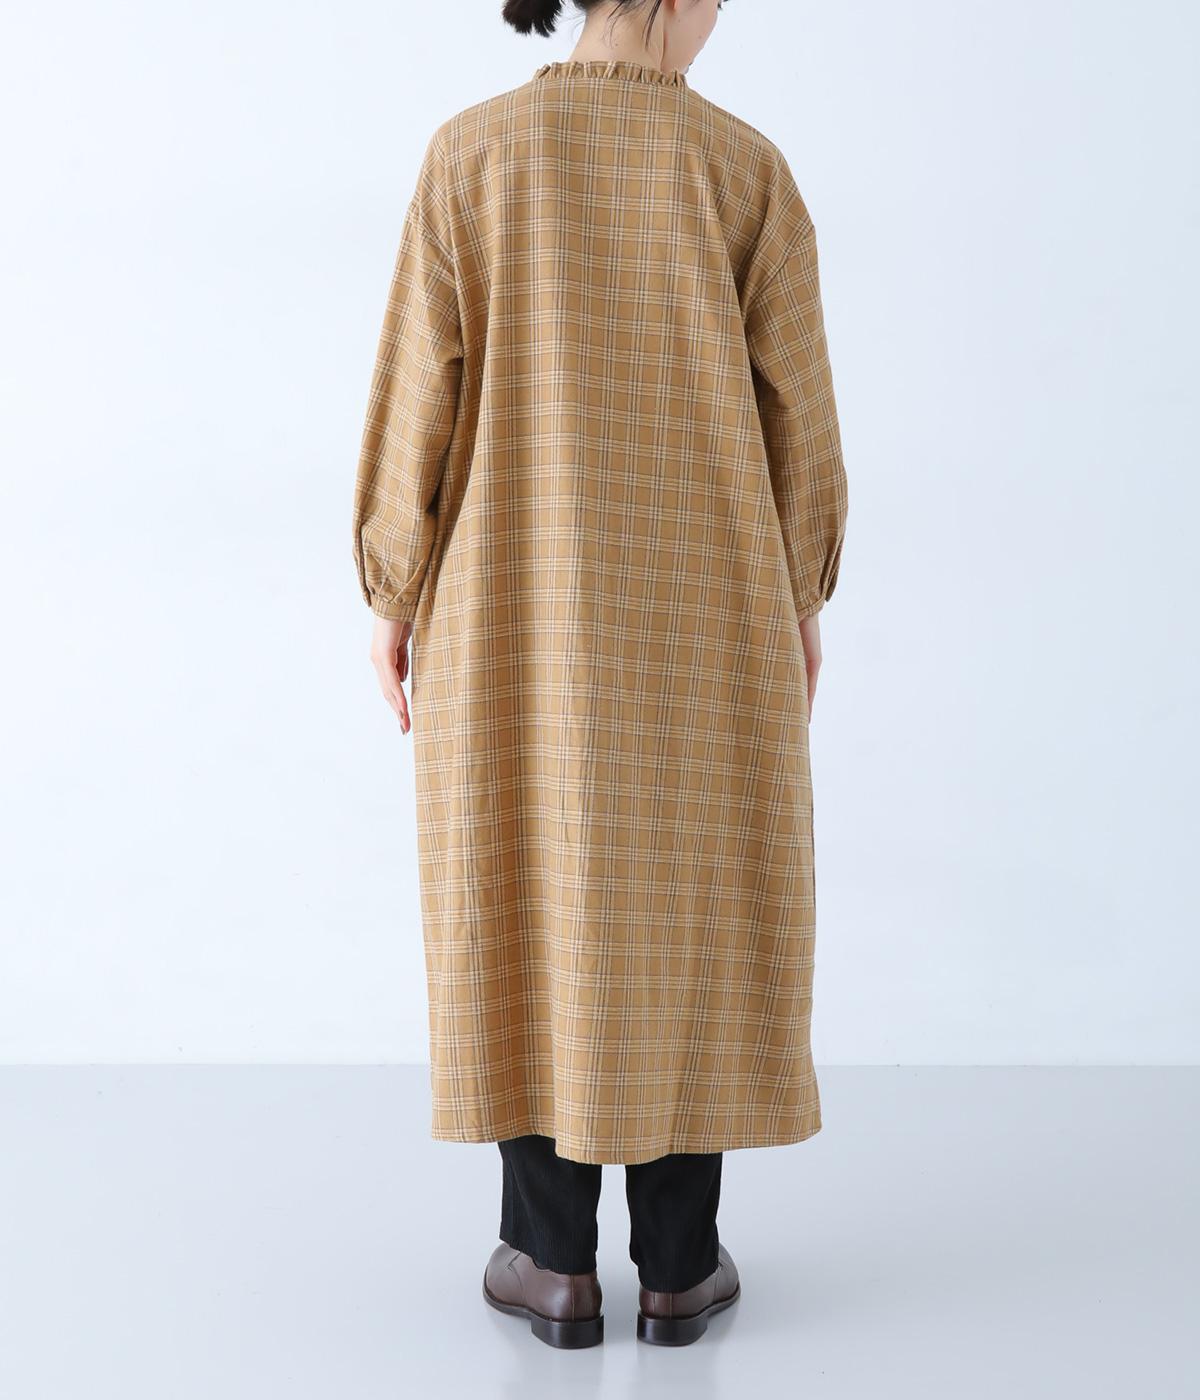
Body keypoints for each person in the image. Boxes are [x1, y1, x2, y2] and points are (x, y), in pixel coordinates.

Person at [350, 0, 849, 1349]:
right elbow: (800, 417)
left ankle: (550, 1257)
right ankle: (680, 1265)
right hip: (707, 611)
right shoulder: (744, 172)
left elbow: (418, 395)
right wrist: (802, 596)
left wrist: (392, 589)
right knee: (690, 889)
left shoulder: (473, 155)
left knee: (523, 884)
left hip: (512, 604)